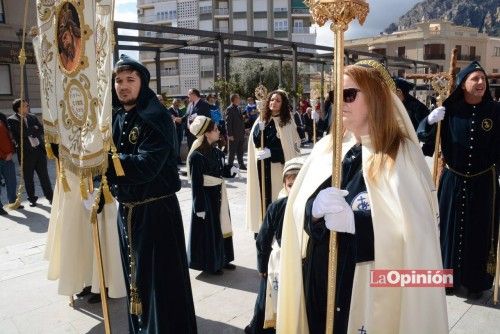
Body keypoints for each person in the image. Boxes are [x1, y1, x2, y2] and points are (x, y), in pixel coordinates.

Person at [277, 60, 448, 334]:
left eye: (349, 94)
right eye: (336, 94)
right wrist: (313, 210)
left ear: (377, 98)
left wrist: (357, 223)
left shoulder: (400, 154)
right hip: (318, 286)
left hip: (363, 293)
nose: (339, 102)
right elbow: (298, 213)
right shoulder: (327, 148)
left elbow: (417, 235)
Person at [107, 55, 197, 333]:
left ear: (142, 83)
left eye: (130, 80)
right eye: (118, 80)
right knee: (137, 281)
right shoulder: (119, 117)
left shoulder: (155, 117)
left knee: (160, 284)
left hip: (157, 214)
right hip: (129, 212)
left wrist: (105, 163)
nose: (123, 86)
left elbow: (146, 166)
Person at [417, 61, 500, 299]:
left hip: (484, 183)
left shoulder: (496, 112)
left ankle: (476, 282)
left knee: (480, 232)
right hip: (453, 180)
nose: (481, 82)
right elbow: (424, 140)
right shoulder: (449, 110)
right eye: (475, 78)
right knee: (448, 230)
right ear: (463, 84)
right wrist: (429, 121)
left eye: (483, 78)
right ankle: (447, 280)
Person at [245, 157, 303, 334]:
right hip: (279, 261)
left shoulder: (310, 206)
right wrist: (262, 266)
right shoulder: (277, 207)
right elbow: (263, 239)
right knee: (266, 300)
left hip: (300, 263)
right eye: (290, 185)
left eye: (298, 184)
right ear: (285, 184)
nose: (294, 189)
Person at [186, 116, 238, 275]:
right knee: (211, 231)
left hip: (219, 194)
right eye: (215, 129)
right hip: (206, 198)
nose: (218, 131)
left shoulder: (216, 151)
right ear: (206, 134)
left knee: (222, 226)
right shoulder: (196, 156)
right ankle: (211, 263)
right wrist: (199, 206)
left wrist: (230, 171)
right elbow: (196, 184)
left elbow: (221, 170)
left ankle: (224, 258)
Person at [246, 90, 301, 234]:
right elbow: (256, 143)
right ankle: (263, 230)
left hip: (277, 168)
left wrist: (272, 153)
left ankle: (278, 230)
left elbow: (289, 149)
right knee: (263, 199)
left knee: (276, 199)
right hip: (262, 168)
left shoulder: (288, 122)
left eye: (277, 100)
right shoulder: (261, 119)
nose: (273, 103)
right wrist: (259, 129)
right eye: (272, 100)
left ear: (283, 104)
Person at [8, 99, 53, 207]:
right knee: (29, 178)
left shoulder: (32, 116)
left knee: (44, 176)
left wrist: (32, 129)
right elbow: (21, 134)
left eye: (27, 105)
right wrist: (33, 128)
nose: (27, 107)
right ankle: (32, 199)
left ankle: (50, 197)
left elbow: (41, 129)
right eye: (24, 106)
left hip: (39, 151)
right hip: (26, 154)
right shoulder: (12, 120)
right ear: (18, 108)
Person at [0, 113, 21, 214]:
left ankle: (13, 201)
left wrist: (12, 151)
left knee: (12, 181)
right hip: (3, 157)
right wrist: (4, 156)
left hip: (8, 158)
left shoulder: (2, 117)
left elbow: (8, 137)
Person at [57, 2, 82, 72]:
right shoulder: (65, 58)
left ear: (70, 29)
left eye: (65, 37)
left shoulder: (85, 44)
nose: (65, 44)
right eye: (62, 43)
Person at [226, 93, 247, 170]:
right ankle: (229, 166)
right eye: (238, 98)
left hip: (240, 134)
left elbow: (240, 121)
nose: (239, 99)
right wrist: (230, 134)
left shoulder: (238, 108)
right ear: (234, 99)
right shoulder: (229, 109)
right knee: (232, 151)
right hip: (233, 134)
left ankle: (241, 164)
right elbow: (228, 123)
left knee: (240, 151)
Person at [168, 98, 185, 164]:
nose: (177, 105)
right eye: (176, 103)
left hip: (180, 130)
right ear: (173, 103)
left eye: (178, 103)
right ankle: (174, 160)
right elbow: (171, 119)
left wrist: (179, 120)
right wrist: (177, 119)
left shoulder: (179, 111)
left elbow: (182, 120)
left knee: (179, 145)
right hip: (173, 130)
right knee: (174, 145)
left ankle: (178, 160)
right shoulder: (169, 110)